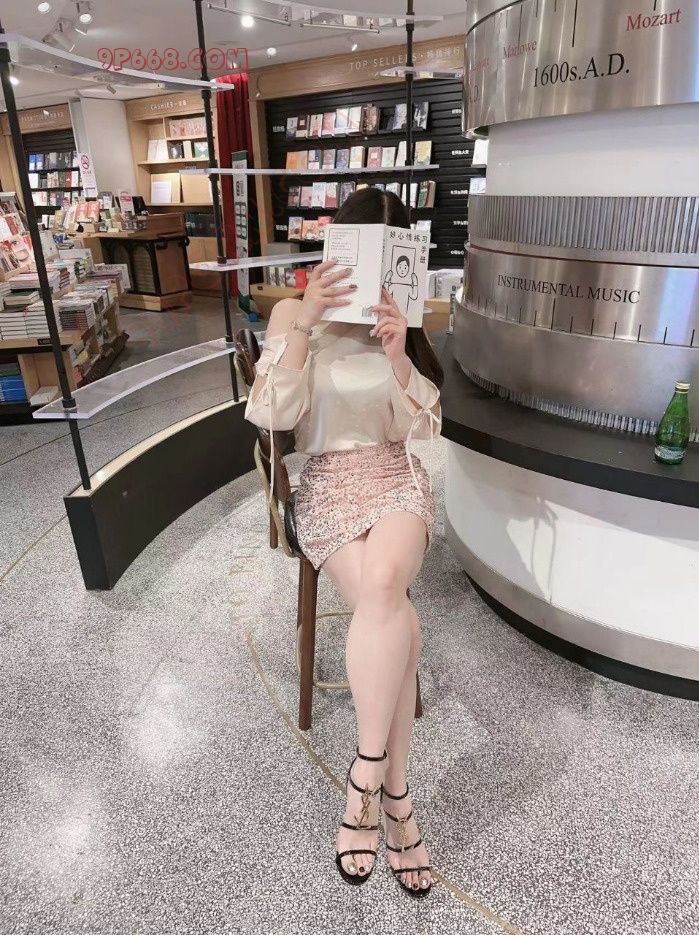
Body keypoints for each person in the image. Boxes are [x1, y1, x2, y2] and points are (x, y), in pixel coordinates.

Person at [244, 188, 443, 897]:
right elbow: (270, 415)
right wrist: (306, 324)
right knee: (400, 620)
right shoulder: (294, 314)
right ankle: (397, 802)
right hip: (327, 481)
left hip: (395, 477)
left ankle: (363, 776)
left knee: (385, 586)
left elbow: (425, 429)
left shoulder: (401, 317)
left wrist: (399, 355)